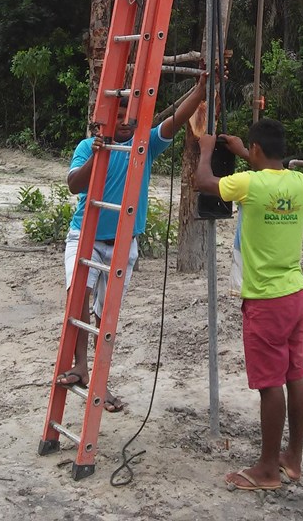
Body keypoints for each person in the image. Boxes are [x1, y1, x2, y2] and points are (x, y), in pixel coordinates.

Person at [57, 72, 207, 411]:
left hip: (123, 242)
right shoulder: (88, 147)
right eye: (119, 113)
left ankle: (100, 381)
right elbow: (74, 185)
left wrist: (199, 91)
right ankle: (81, 365)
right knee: (77, 297)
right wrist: (98, 155)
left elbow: (175, 120)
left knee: (106, 315)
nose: (125, 121)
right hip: (85, 236)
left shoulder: (145, 144)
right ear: (104, 117)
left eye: (130, 114)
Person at [195, 120, 303, 491]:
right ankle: (292, 459)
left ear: (257, 150)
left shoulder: (248, 184)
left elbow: (203, 182)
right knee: (295, 375)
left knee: (270, 384)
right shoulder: (300, 182)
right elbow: (268, 171)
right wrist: (245, 151)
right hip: (295, 294)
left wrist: (207, 149)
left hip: (265, 301)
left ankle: (266, 470)